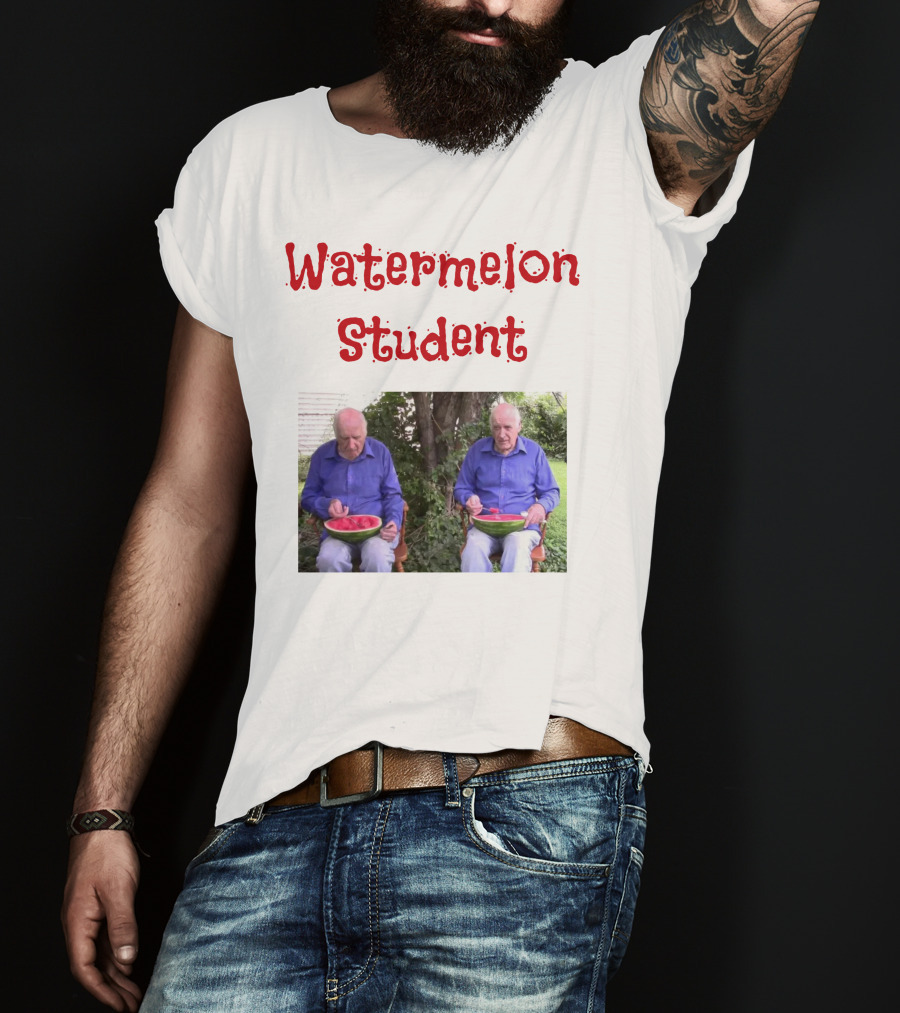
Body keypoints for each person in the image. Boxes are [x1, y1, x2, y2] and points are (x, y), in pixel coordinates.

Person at [61, 2, 820, 1011]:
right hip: (265, 837)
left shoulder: (622, 132)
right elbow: (189, 501)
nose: (499, 3)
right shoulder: (248, 163)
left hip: (514, 835)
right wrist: (101, 809)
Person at [456, 402, 561, 571]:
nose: (501, 434)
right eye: (496, 427)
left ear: (519, 426)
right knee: (473, 549)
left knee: (517, 546)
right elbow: (461, 488)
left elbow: (551, 491)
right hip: (484, 527)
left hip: (522, 528)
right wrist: (468, 498)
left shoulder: (534, 452)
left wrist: (541, 506)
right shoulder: (477, 451)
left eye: (507, 427)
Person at [300, 408, 404, 572]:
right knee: (329, 560)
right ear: (335, 435)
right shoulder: (321, 456)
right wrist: (326, 504)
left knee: (377, 558)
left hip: (376, 532)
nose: (351, 445)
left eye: (356, 438)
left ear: (365, 432)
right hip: (337, 535)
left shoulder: (380, 452)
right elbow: (307, 498)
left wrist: (394, 521)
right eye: (344, 438)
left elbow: (393, 495)